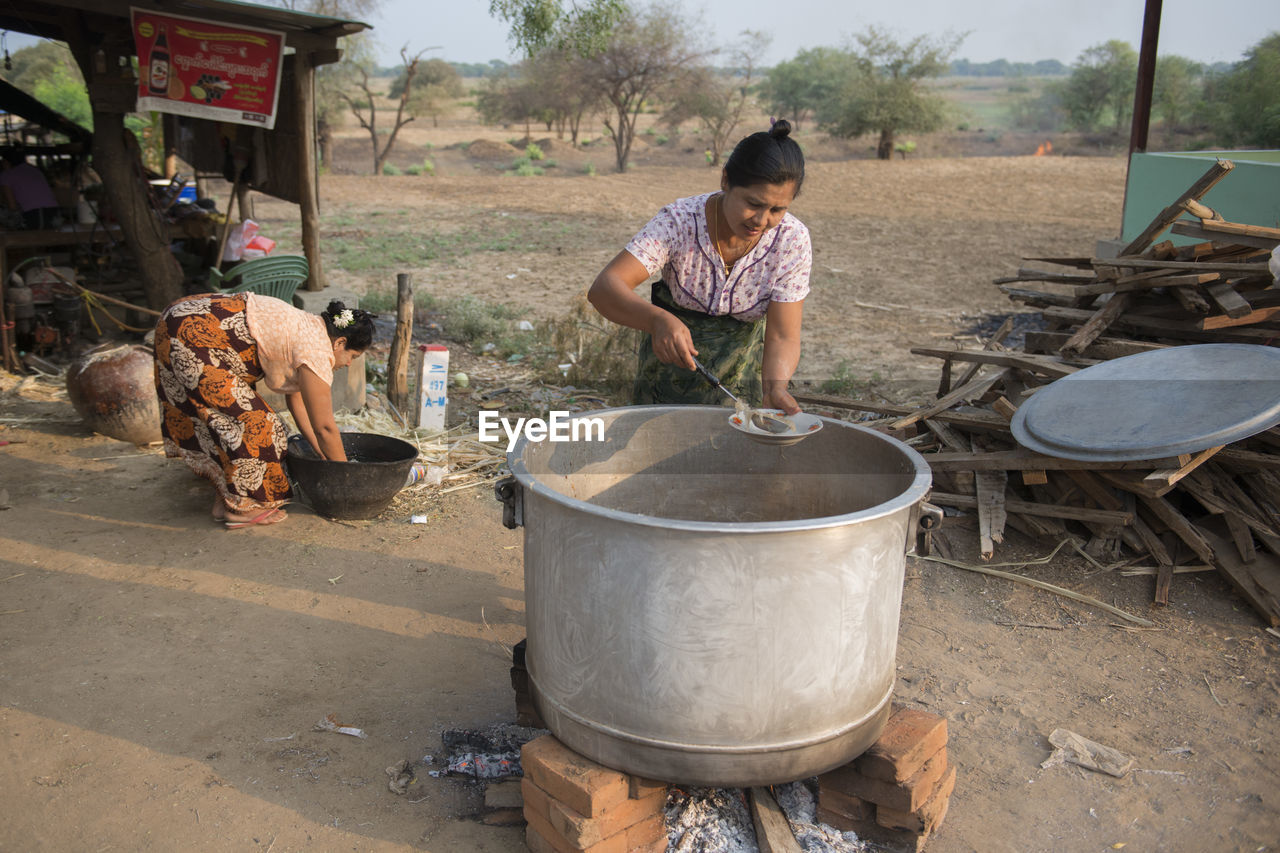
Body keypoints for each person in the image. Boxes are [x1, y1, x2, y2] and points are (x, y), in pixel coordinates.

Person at [588, 119, 810, 414]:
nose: (761, 220)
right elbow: (605, 288)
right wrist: (657, 321)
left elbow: (783, 335)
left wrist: (775, 388)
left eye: (777, 209)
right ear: (726, 181)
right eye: (753, 203)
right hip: (663, 381)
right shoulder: (679, 222)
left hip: (739, 386)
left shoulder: (791, 241)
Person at [154, 294, 374, 528]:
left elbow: (298, 403)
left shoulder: (311, 329)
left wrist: (323, 454)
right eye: (353, 356)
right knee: (261, 427)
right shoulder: (317, 352)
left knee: (232, 421)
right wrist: (346, 475)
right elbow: (325, 427)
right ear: (339, 343)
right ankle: (245, 511)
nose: (349, 363)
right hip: (193, 335)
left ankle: (232, 500)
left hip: (180, 318)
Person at [0, 147, 60, 230]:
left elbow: (12, 206)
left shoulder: (6, 175)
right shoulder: (35, 170)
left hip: (32, 219)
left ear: (6, 162)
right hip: (54, 217)